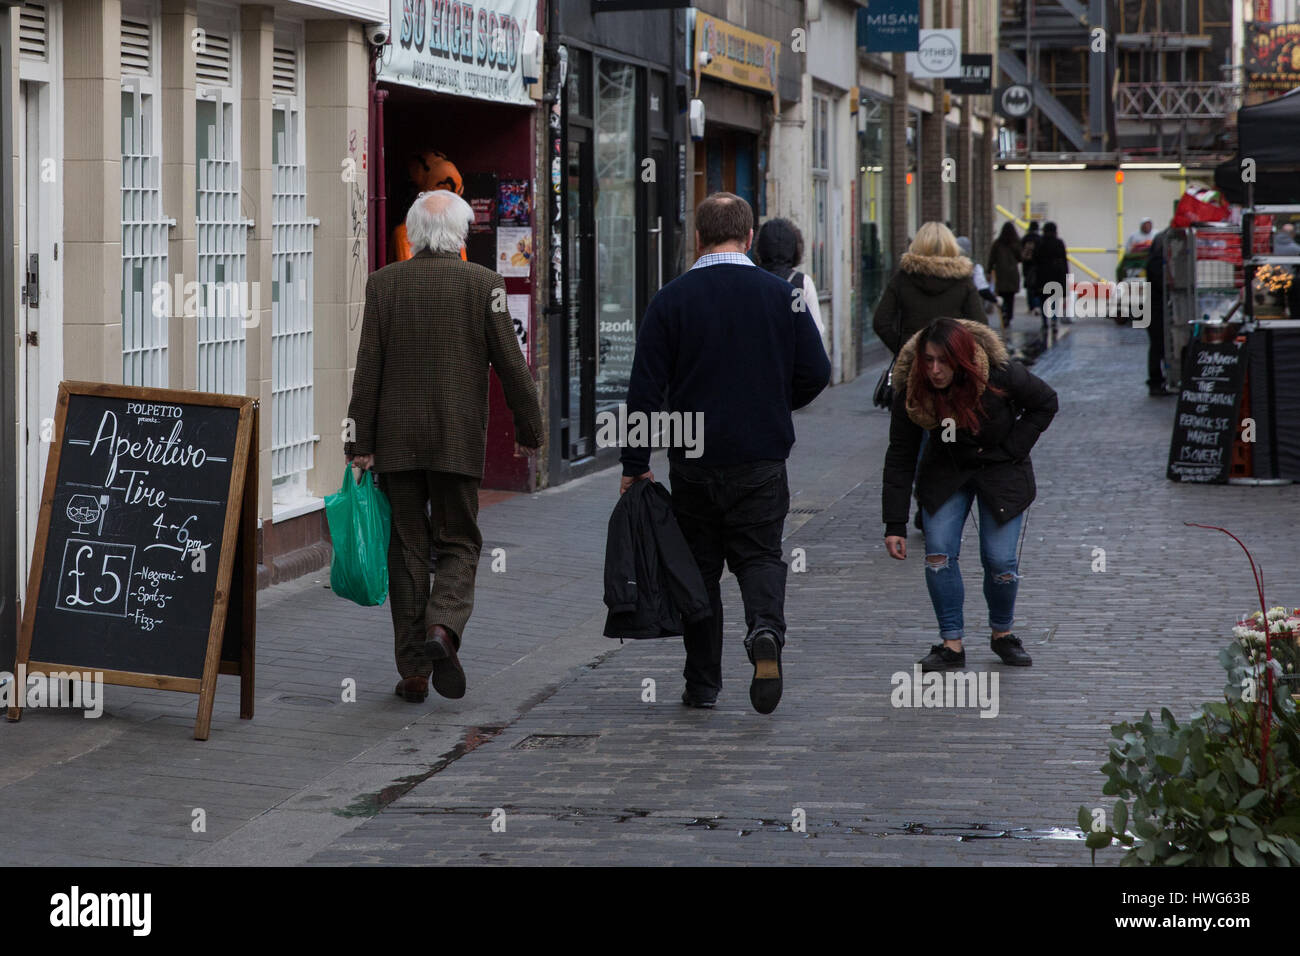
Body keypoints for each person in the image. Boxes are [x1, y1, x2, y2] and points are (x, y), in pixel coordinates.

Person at [620, 192, 831, 714]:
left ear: (698, 237)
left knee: (700, 570)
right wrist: (776, 405)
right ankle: (764, 631)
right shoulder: (783, 295)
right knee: (760, 556)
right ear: (750, 236)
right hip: (760, 457)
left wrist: (635, 464)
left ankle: (702, 683)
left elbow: (644, 390)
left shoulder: (670, 299)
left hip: (694, 462)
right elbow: (817, 372)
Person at [345, 190, 544, 704]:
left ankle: (413, 671)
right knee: (459, 541)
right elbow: (512, 366)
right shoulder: (486, 284)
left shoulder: (384, 284)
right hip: (456, 440)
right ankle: (442, 628)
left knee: (407, 548)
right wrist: (529, 432)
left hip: (397, 443)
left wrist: (359, 442)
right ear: (461, 235)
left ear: (413, 233)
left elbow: (368, 370)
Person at [882, 317, 1058, 672]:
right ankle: (951, 643)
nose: (934, 370)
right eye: (928, 360)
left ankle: (1002, 634)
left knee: (1000, 562)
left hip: (1001, 469)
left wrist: (1014, 446)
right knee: (939, 555)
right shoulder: (913, 390)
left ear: (961, 359)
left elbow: (1046, 402)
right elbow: (900, 456)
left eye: (943, 361)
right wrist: (895, 523)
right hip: (946, 471)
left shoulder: (998, 373)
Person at [871, 221, 987, 355]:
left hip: (912, 360)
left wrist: (903, 349)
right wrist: (960, 351)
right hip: (950, 359)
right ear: (951, 245)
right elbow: (981, 325)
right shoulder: (963, 280)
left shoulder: (903, 278)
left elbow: (880, 322)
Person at [755, 217, 826, 338]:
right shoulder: (802, 283)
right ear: (795, 248)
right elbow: (816, 329)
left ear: (760, 247)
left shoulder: (750, 279)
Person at [1145, 220, 1175, 397]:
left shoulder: (1154, 260)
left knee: (1158, 346)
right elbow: (1161, 284)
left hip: (1154, 308)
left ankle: (1159, 380)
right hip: (1156, 309)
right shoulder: (1157, 263)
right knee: (1158, 346)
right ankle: (1156, 381)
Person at [986, 222, 1022, 329]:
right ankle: (1009, 316)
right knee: (1010, 297)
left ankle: (1003, 315)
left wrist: (989, 270)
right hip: (1012, 274)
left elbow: (991, 258)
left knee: (1001, 296)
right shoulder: (1016, 243)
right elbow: (1020, 258)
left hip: (1001, 273)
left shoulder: (997, 243)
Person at [1033, 221, 1069, 329]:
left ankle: (1044, 321)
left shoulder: (1040, 242)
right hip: (1056, 274)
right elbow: (1064, 259)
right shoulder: (1059, 242)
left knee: (1043, 298)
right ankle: (1054, 319)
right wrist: (1066, 274)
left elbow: (1035, 258)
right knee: (1055, 298)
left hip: (1042, 274)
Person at [1020, 220, 1042, 314]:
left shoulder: (1025, 238)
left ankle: (1031, 307)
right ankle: (1037, 306)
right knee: (1037, 287)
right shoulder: (1040, 239)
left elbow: (1020, 252)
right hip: (1038, 267)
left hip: (1027, 267)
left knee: (1029, 288)